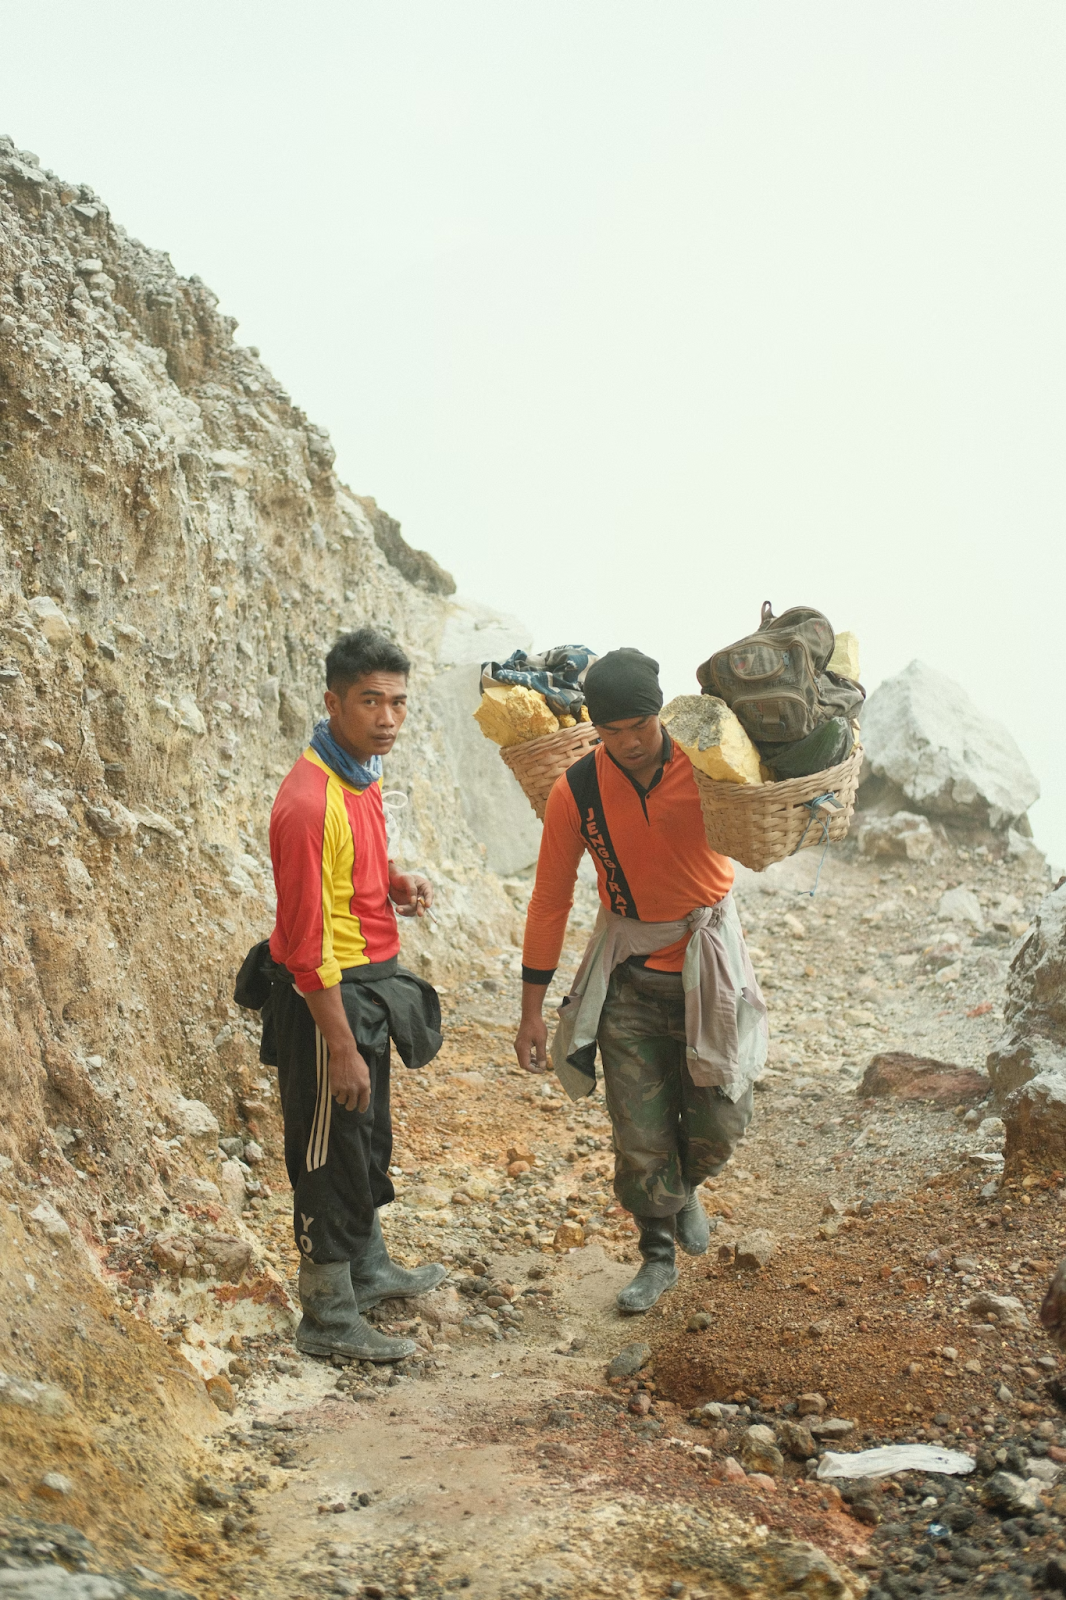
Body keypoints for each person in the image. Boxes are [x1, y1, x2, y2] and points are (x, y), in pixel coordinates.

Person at [513, 647, 767, 1314]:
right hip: (627, 980)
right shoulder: (578, 790)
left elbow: (768, 806)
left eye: (640, 728)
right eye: (611, 732)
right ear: (595, 729)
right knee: (638, 1132)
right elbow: (549, 901)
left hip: (706, 970)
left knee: (723, 1117)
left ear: (661, 716)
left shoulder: (705, 766)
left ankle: (685, 1188)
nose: (627, 744)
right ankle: (656, 1254)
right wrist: (531, 1011)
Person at [237, 627, 446, 1363]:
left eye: (398, 702)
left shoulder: (362, 770)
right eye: (370, 701)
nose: (387, 717)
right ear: (333, 702)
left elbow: (351, 865)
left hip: (369, 991)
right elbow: (301, 945)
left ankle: (368, 1268)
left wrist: (392, 879)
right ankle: (326, 1316)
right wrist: (339, 1045)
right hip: (325, 1002)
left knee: (366, 1142)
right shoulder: (305, 803)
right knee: (327, 1154)